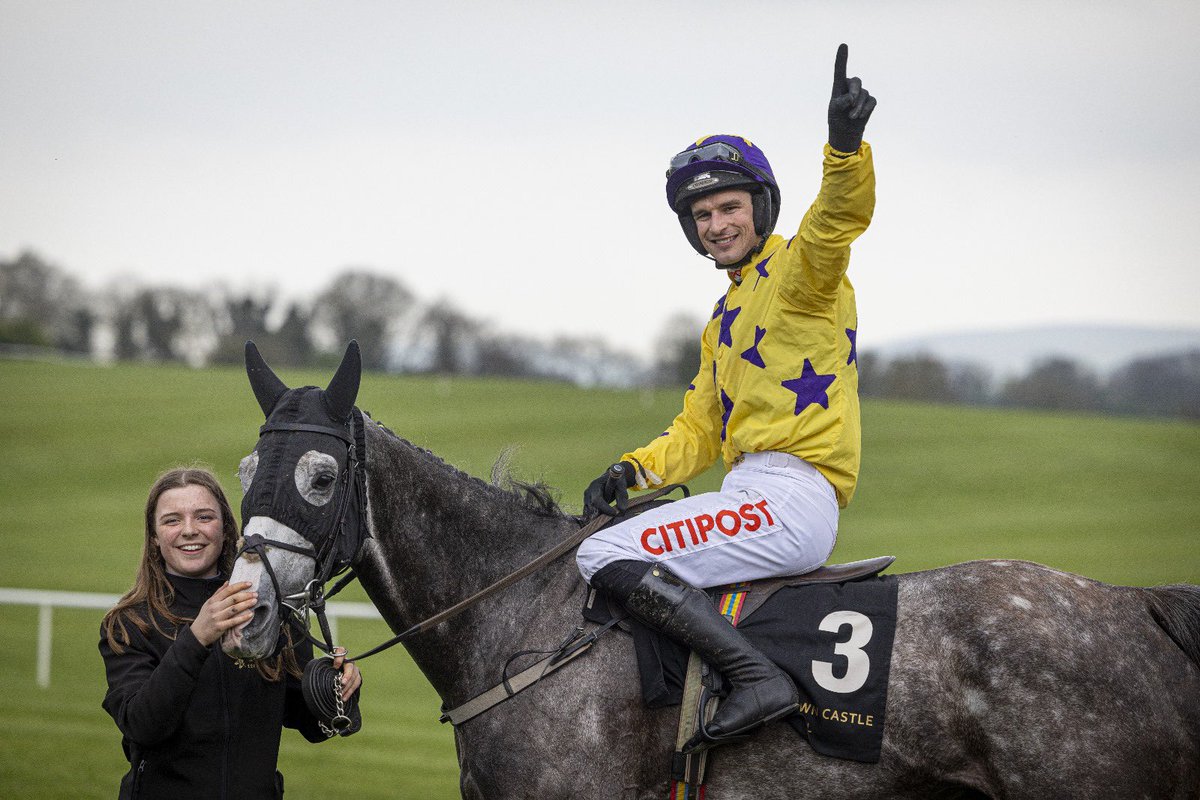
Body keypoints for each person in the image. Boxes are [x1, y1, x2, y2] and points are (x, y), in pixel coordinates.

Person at [576, 44, 877, 752]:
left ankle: (757, 680)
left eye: (729, 206)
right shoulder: (723, 317)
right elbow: (698, 432)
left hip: (790, 497)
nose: (717, 224)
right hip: (753, 492)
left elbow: (835, 221)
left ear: (760, 206)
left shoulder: (800, 276)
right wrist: (634, 470)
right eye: (703, 213)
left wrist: (843, 148)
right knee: (604, 541)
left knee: (597, 558)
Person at [99, 466, 362, 799]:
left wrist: (336, 688)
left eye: (204, 517)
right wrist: (197, 637)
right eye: (172, 520)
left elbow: (311, 724)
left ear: (225, 529)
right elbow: (143, 726)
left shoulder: (267, 609)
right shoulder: (129, 623)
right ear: (154, 537)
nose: (189, 531)